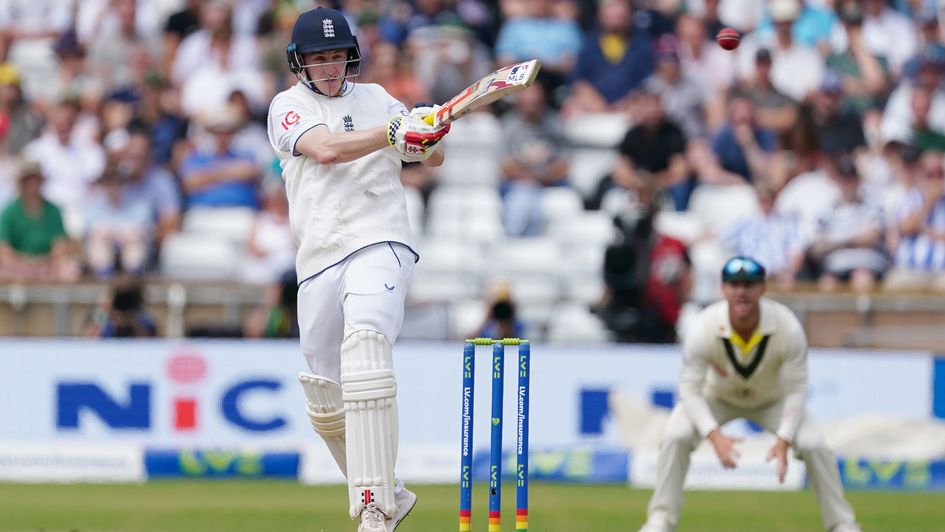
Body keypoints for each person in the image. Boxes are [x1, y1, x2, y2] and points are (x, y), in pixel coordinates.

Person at [266, 8, 449, 532]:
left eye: (337, 56)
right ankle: (390, 489)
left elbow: (429, 160)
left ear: (352, 56)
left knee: (366, 344)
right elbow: (324, 149)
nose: (328, 67)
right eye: (317, 58)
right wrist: (393, 130)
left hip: (380, 239)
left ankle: (373, 508)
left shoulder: (379, 98)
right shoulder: (288, 106)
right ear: (299, 63)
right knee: (324, 395)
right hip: (320, 255)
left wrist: (427, 131)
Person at [638, 256, 861, 532]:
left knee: (814, 444)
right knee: (675, 435)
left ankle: (842, 524)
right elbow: (690, 390)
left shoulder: (786, 326)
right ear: (724, 289)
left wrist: (784, 439)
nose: (741, 291)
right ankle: (660, 521)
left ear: (762, 289)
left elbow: (797, 389)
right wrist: (714, 435)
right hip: (717, 397)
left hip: (772, 400)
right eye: (734, 284)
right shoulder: (704, 327)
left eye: (749, 284)